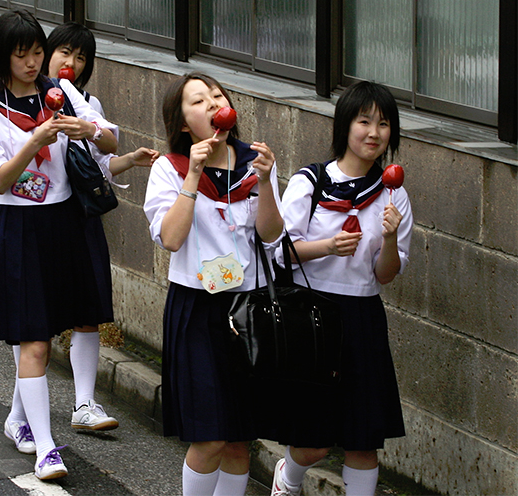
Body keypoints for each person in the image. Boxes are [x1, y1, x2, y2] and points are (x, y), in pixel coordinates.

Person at [0, 9, 129, 481]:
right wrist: (34, 139)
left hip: (62, 222)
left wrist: (88, 130)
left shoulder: (61, 94)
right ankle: (45, 448)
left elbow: (111, 139)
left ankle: (20, 419)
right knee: (34, 338)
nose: (33, 62)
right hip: (18, 227)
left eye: (37, 52)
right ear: (3, 58)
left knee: (58, 328)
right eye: (22, 55)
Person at [0, 21, 156, 438]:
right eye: (64, 52)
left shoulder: (80, 101)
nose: (71, 62)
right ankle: (22, 417)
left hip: (77, 216)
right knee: (34, 323)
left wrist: (120, 152)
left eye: (81, 57)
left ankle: (83, 403)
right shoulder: (2, 103)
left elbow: (100, 161)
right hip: (31, 217)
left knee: (88, 309)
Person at [269, 81, 413, 496]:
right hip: (312, 317)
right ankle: (288, 478)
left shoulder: (393, 194)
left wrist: (389, 238)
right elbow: (281, 253)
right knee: (313, 444)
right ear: (345, 126)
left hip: (363, 318)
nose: (374, 132)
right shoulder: (309, 182)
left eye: (384, 124)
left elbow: (386, 275)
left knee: (363, 440)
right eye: (364, 121)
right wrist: (328, 246)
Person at [144, 72, 284, 496]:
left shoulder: (254, 164)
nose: (211, 104)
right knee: (210, 437)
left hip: (249, 308)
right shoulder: (170, 169)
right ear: (184, 123)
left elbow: (272, 235)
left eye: (217, 96)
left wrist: (264, 181)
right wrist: (194, 176)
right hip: (198, 308)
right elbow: (170, 238)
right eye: (198, 100)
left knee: (239, 439)